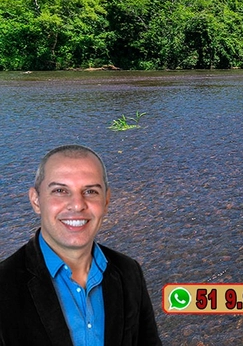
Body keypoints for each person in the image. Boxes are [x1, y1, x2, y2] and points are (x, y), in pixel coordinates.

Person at [0, 144, 162, 346]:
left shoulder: (129, 272)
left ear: (106, 201)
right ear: (36, 200)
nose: (77, 204)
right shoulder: (4, 285)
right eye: (60, 190)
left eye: (91, 191)